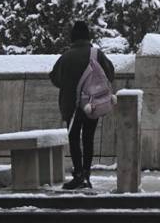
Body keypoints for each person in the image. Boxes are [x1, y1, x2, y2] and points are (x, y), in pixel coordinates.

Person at [49, 20, 115, 190]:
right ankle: (86, 174)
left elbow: (55, 78)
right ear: (88, 36)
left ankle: (78, 175)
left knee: (73, 139)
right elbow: (110, 73)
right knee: (88, 139)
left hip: (72, 106)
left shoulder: (66, 56)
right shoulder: (96, 54)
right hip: (93, 104)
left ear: (73, 37)